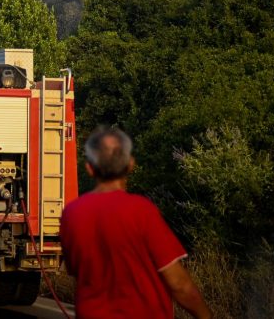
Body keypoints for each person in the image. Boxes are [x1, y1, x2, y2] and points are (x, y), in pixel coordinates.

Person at [60, 127, 212, 319]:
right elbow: (179, 284)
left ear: (89, 168)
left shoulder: (71, 214)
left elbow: (77, 273)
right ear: (130, 164)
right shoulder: (142, 210)